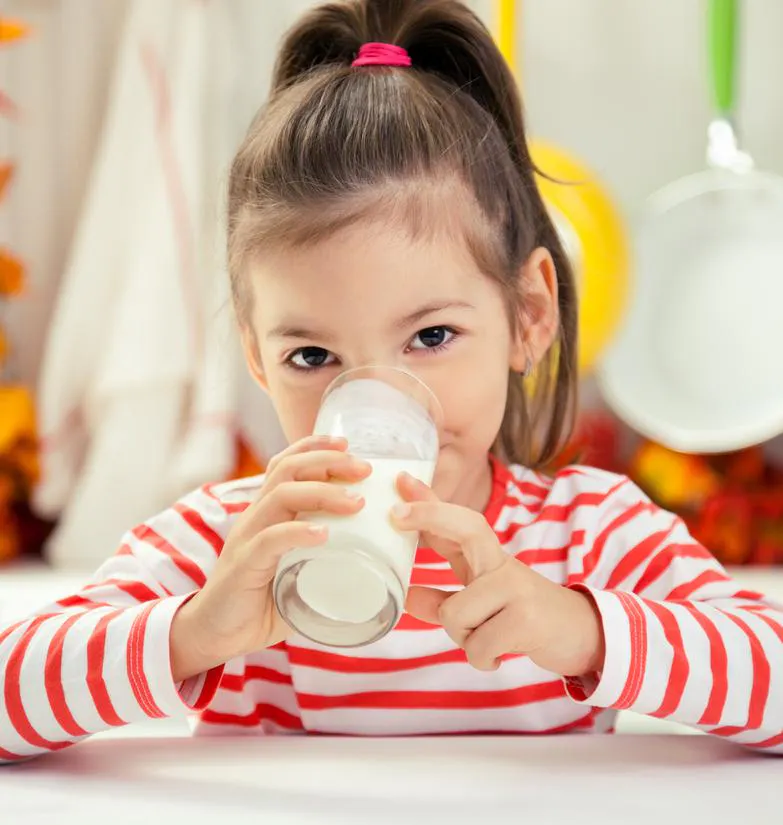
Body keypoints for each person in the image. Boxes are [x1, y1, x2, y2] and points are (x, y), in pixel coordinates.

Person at [1, 0, 782, 762]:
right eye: (312, 356)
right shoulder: (227, 541)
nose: (377, 403)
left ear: (527, 315)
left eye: (430, 336)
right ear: (254, 354)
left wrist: (581, 628)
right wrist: (193, 631)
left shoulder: (586, 534)